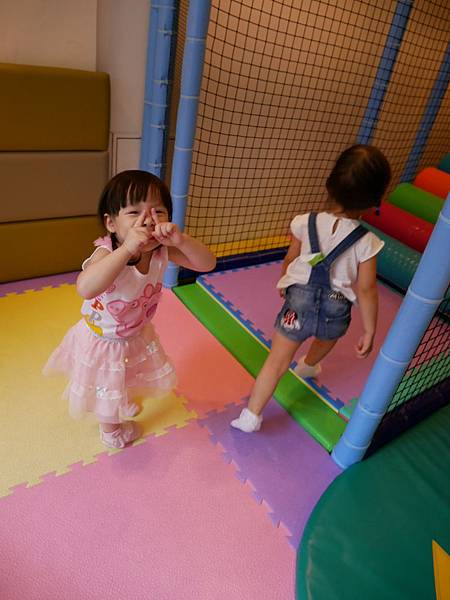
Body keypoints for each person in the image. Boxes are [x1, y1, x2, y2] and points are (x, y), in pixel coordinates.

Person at [44, 170, 216, 448]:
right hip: (103, 341)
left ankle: (121, 398)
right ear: (111, 224)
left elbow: (206, 264)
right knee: (107, 384)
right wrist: (126, 250)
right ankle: (110, 430)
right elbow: (85, 288)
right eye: (134, 212)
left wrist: (181, 240)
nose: (148, 220)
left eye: (158, 211)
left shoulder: (161, 249)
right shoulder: (108, 252)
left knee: (130, 374)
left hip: (136, 333)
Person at [231, 144, 391, 433]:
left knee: (276, 361)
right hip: (335, 307)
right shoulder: (367, 242)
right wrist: (369, 330)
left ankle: (251, 416)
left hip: (298, 303)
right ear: (374, 200)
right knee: (327, 336)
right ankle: (309, 364)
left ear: (330, 184)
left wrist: (285, 282)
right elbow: (367, 289)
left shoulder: (305, 222)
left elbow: (290, 259)